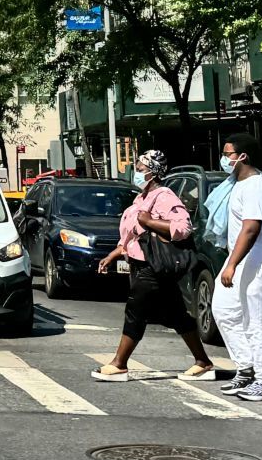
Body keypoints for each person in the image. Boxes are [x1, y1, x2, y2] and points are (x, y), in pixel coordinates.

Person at [90, 149, 215, 383]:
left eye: (139, 168)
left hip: (153, 266)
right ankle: (203, 362)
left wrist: (149, 221)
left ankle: (119, 364)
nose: (136, 172)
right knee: (176, 314)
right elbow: (133, 237)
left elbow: (183, 227)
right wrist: (114, 254)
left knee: (135, 311)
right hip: (142, 264)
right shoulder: (142, 197)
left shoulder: (164, 195)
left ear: (152, 171)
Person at [212, 132, 262, 404]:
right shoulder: (237, 185)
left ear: (242, 156)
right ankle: (246, 368)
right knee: (223, 310)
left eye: (227, 153)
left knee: (255, 319)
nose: (224, 158)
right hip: (244, 257)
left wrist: (232, 264)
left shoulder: (256, 185)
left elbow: (252, 227)